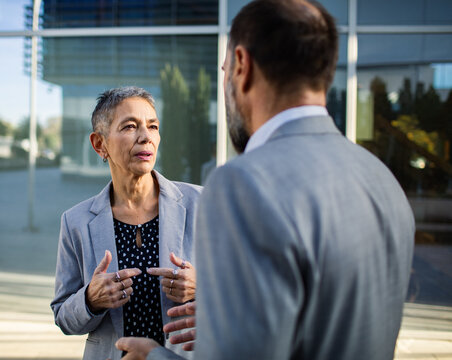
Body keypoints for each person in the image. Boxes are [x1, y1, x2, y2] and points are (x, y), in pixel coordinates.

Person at [116, 1, 415, 359]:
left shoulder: (242, 184)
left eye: (225, 69)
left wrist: (154, 357)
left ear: (242, 65)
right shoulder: (382, 180)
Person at [50, 86, 201, 360]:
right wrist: (89, 300)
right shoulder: (76, 222)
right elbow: (63, 317)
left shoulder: (202, 204)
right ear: (100, 144)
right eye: (130, 126)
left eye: (153, 126)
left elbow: (246, 292)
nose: (146, 137)